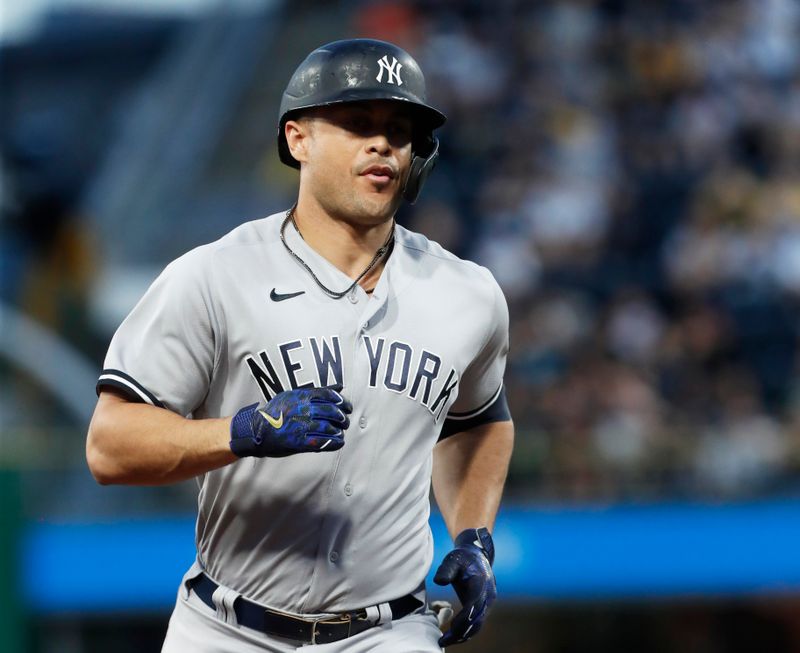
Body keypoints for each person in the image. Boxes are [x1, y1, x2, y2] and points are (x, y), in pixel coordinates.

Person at [86, 38, 514, 652]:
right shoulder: (214, 276)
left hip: (389, 630)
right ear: (298, 140)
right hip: (226, 629)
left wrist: (473, 537)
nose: (382, 145)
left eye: (399, 130)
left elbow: (479, 422)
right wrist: (240, 432)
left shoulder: (468, 295)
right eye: (357, 123)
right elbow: (109, 445)